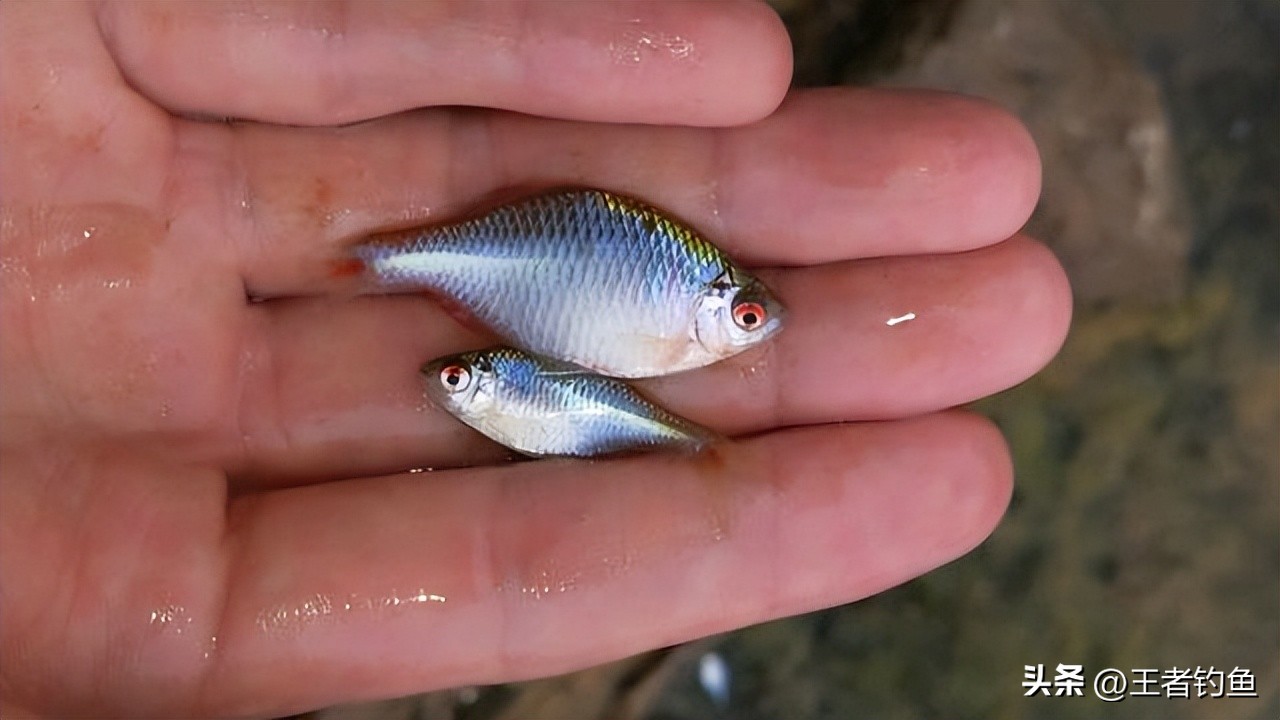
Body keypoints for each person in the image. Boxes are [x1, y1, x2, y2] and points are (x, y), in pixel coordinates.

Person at [0, 1, 1069, 716]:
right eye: (745, 316)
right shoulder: (664, 309)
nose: (748, 327)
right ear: (713, 303)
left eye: (744, 319)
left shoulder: (658, 309)